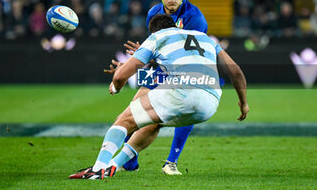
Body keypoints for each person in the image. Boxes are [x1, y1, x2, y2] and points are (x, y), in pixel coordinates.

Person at [69, 14, 249, 179]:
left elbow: (120, 76)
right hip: (210, 103)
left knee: (124, 120)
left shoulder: (157, 37)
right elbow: (236, 71)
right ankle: (113, 166)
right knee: (154, 123)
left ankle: (98, 169)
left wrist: (116, 86)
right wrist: (243, 103)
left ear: (152, 30)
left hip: (182, 92)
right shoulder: (205, 38)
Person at [119, 0, 208, 175]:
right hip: (161, 68)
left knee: (187, 110)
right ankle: (130, 159)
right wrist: (143, 55)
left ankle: (171, 161)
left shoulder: (195, 18)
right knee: (133, 112)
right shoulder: (153, 13)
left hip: (189, 69)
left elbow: (189, 57)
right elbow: (159, 47)